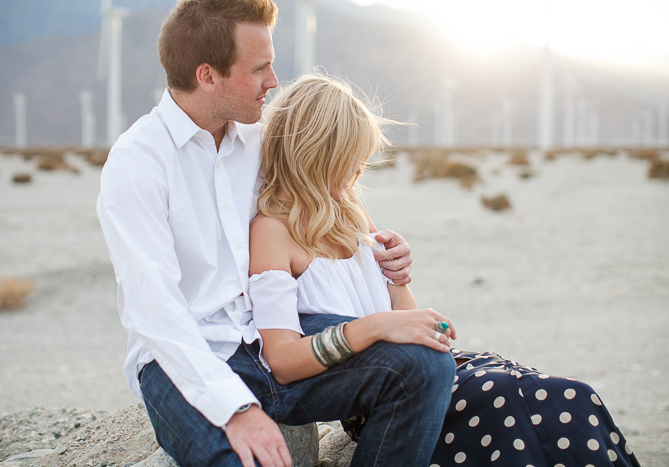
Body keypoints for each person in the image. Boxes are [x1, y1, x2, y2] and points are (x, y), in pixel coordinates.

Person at [96, 1, 452, 466]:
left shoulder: (265, 141)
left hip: (274, 337)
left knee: (422, 365)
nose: (273, 82)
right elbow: (156, 312)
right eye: (260, 68)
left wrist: (388, 260)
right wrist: (236, 408)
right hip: (186, 357)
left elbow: (327, 200)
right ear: (207, 75)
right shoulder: (137, 163)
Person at [248, 74, 642, 467]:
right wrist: (377, 327)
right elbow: (281, 360)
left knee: (568, 397)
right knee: (510, 401)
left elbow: (404, 313)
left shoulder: (353, 216)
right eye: (350, 160)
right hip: (385, 389)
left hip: (437, 368)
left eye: (362, 160)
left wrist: (399, 281)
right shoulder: (272, 232)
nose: (358, 171)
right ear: (315, 154)